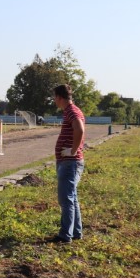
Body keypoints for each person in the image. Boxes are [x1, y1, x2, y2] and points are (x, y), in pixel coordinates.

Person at [50, 83, 85, 244]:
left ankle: (65, 235)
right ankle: (76, 232)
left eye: (54, 98)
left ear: (59, 97)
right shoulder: (70, 111)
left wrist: (73, 150)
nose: (54, 101)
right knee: (72, 198)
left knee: (66, 199)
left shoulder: (72, 111)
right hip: (68, 162)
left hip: (70, 163)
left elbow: (80, 129)